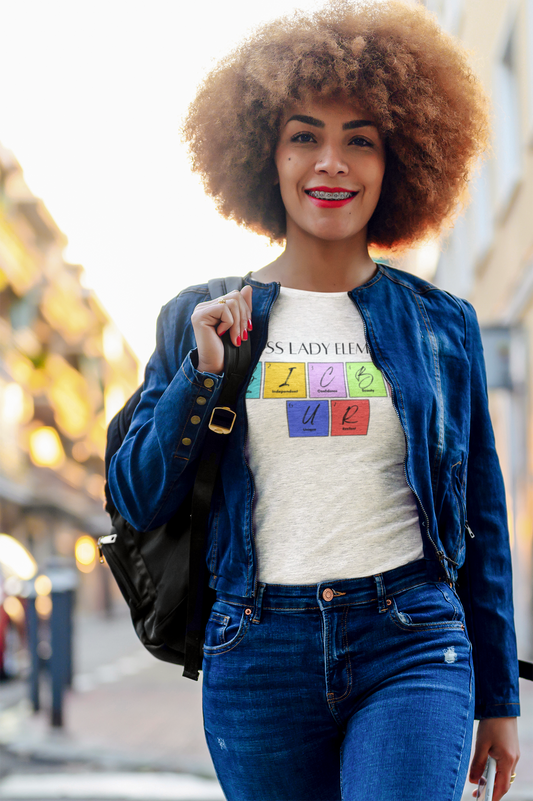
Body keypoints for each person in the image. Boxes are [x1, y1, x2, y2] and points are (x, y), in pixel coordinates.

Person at [107, 1, 520, 799]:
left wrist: (499, 696)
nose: (330, 162)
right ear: (266, 153)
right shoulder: (197, 313)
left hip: (411, 639)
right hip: (256, 650)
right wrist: (200, 373)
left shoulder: (441, 326)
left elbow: (481, 514)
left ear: (396, 160)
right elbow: (135, 493)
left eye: (358, 140)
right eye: (305, 136)